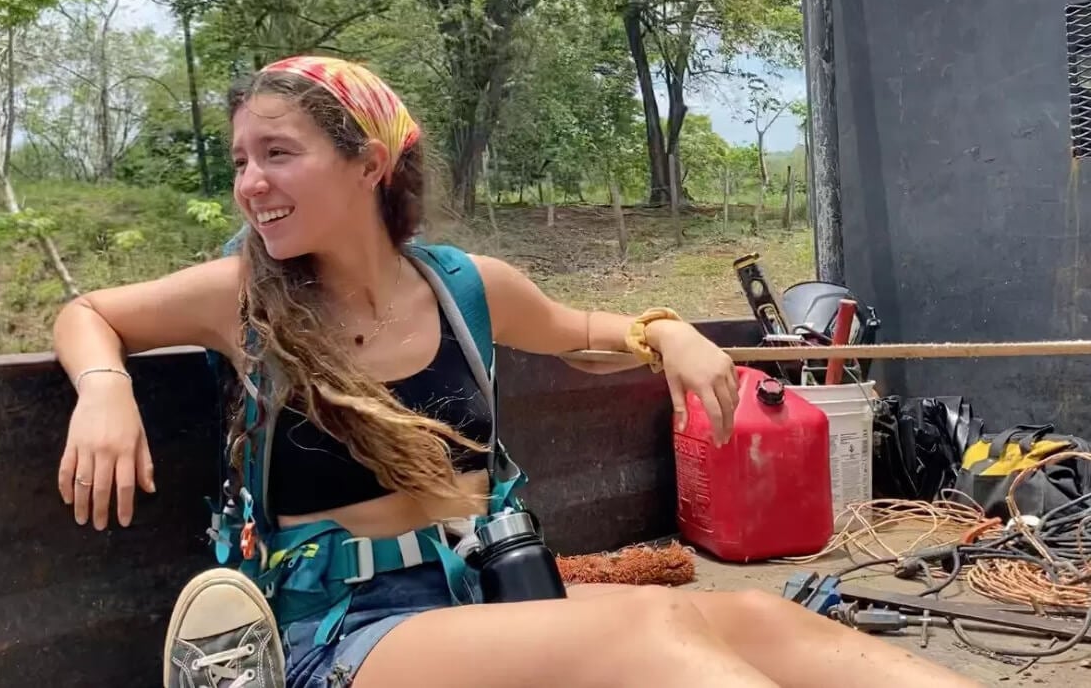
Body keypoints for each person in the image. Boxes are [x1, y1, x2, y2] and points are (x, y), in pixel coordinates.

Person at [52, 54, 979, 688]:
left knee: (766, 626)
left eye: (279, 154)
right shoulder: (238, 294)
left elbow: (584, 326)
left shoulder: (464, 288)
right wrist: (103, 388)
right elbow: (87, 311)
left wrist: (671, 334)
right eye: (242, 160)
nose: (250, 182)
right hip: (339, 632)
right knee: (657, 628)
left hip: (487, 588)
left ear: (368, 164)